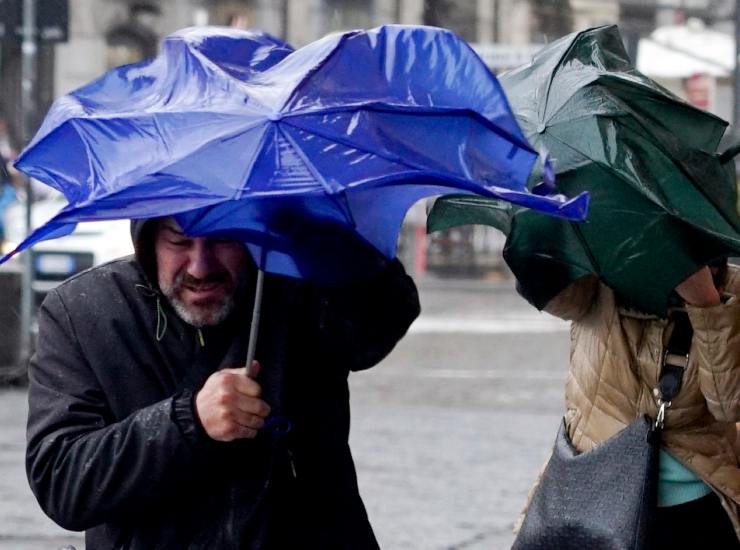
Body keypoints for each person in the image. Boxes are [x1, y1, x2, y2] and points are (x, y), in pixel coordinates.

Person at [26, 215, 420, 549]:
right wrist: (188, 421)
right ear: (148, 241)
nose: (200, 267)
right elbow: (62, 482)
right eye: (179, 242)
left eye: (224, 239)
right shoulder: (82, 313)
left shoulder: (300, 287)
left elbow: (380, 322)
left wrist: (328, 241)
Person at [523, 262, 740, 547]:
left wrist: (707, 304)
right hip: (592, 500)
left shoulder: (732, 288)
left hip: (697, 506)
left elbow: (729, 406)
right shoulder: (596, 280)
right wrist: (531, 254)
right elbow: (551, 292)